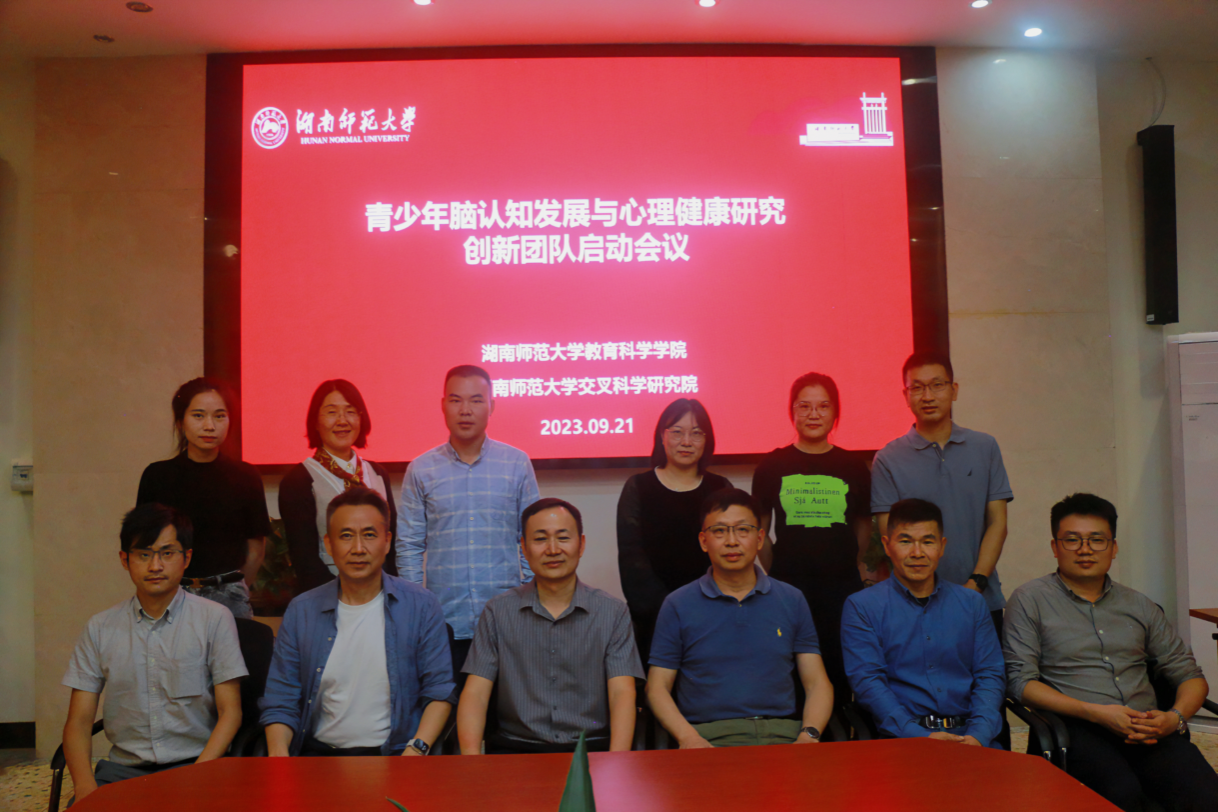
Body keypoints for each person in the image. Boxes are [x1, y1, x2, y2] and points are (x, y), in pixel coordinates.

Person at [1003, 493, 1218, 811]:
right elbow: (1020, 682)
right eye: (1072, 540)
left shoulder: (1139, 605)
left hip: (1147, 726)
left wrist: (1174, 718)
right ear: (1055, 547)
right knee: (1121, 796)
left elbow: (1190, 675)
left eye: (1097, 540)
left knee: (1205, 797)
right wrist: (1095, 712)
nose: (1085, 549)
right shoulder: (1029, 600)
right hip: (1077, 727)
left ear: (1113, 548)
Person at [61, 503, 247, 802]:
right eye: (144, 554)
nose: (155, 566)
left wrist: (198, 776)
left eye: (167, 553)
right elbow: (79, 722)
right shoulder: (100, 627)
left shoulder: (214, 619)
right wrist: (84, 787)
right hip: (123, 770)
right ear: (125, 559)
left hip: (196, 764)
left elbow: (230, 712)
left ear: (186, 558)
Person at [261, 487, 454, 757]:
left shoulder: (421, 606)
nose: (358, 549)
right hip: (318, 758)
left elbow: (439, 692)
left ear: (387, 541)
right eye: (346, 536)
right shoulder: (302, 611)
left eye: (369, 535)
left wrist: (416, 751)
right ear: (329, 544)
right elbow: (281, 699)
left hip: (398, 757)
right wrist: (279, 759)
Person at [647, 488, 833, 748]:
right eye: (719, 531)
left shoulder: (791, 599)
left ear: (760, 538)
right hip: (709, 740)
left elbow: (816, 683)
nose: (732, 541)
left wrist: (809, 736)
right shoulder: (678, 604)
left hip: (785, 738)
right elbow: (657, 687)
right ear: (703, 541)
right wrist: (688, 737)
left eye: (743, 530)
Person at [457, 498, 643, 754]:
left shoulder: (613, 612)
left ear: (581, 544)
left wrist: (617, 761)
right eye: (540, 539)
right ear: (523, 548)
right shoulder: (498, 611)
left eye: (563, 538)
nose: (553, 549)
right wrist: (471, 763)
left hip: (591, 749)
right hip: (515, 750)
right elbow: (476, 693)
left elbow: (621, 693)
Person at [397, 364, 540, 684]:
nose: (465, 410)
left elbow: (532, 538)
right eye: (456, 400)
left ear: (492, 406)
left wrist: (531, 600)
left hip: (507, 619)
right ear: (443, 405)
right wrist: (414, 609)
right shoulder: (421, 469)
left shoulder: (516, 463)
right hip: (443, 622)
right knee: (445, 706)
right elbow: (409, 545)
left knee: (508, 709)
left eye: (476, 400)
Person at [841, 498, 1005, 747]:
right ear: (887, 545)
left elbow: (990, 674)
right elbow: (868, 682)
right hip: (902, 741)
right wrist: (918, 736)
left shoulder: (971, 603)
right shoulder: (862, 606)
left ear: (941, 546)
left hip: (970, 736)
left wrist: (978, 735)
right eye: (905, 541)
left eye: (927, 542)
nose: (917, 553)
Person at [752, 372, 874, 700]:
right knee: (790, 673)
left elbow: (864, 526)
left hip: (841, 589)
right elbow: (759, 530)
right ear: (791, 411)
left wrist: (854, 565)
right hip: (789, 588)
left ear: (836, 412)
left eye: (823, 406)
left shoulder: (853, 466)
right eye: (804, 406)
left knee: (838, 671)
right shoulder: (771, 466)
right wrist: (776, 571)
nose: (814, 414)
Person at [871, 352, 1013, 630]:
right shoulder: (888, 459)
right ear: (906, 395)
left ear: (954, 390)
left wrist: (975, 584)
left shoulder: (985, 448)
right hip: (914, 606)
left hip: (980, 600)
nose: (927, 396)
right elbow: (890, 535)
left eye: (937, 385)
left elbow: (998, 523)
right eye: (917, 387)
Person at [137, 377, 271, 619]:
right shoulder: (157, 476)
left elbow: (255, 549)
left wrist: (235, 588)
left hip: (229, 596)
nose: (209, 426)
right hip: (172, 594)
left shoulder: (246, 476)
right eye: (198, 416)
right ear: (181, 421)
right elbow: (144, 545)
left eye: (219, 416)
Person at [617, 398, 731, 662]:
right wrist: (671, 611)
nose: (686, 441)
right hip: (654, 619)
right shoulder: (638, 487)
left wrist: (705, 608)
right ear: (662, 436)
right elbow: (632, 560)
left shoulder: (720, 488)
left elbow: (730, 552)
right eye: (677, 432)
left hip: (713, 616)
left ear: (707, 440)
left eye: (696, 433)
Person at [279, 379, 398, 594]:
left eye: (350, 412)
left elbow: (392, 544)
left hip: (382, 593)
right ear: (315, 421)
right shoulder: (298, 480)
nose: (342, 421)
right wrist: (345, 598)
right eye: (331, 412)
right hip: (328, 597)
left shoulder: (378, 473)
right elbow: (304, 558)